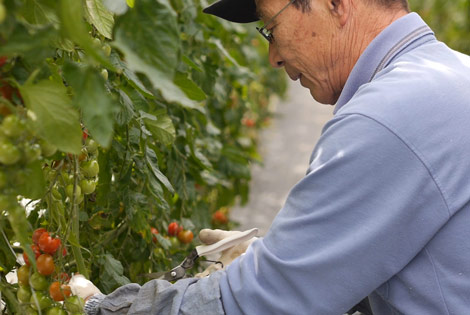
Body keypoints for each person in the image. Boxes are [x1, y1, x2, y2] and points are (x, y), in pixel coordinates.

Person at [72, 0, 470, 314]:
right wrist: (287, 256)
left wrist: (99, 309)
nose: (273, 57)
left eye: (271, 28)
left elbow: (259, 304)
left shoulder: (385, 117)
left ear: (335, 3)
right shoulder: (451, 73)